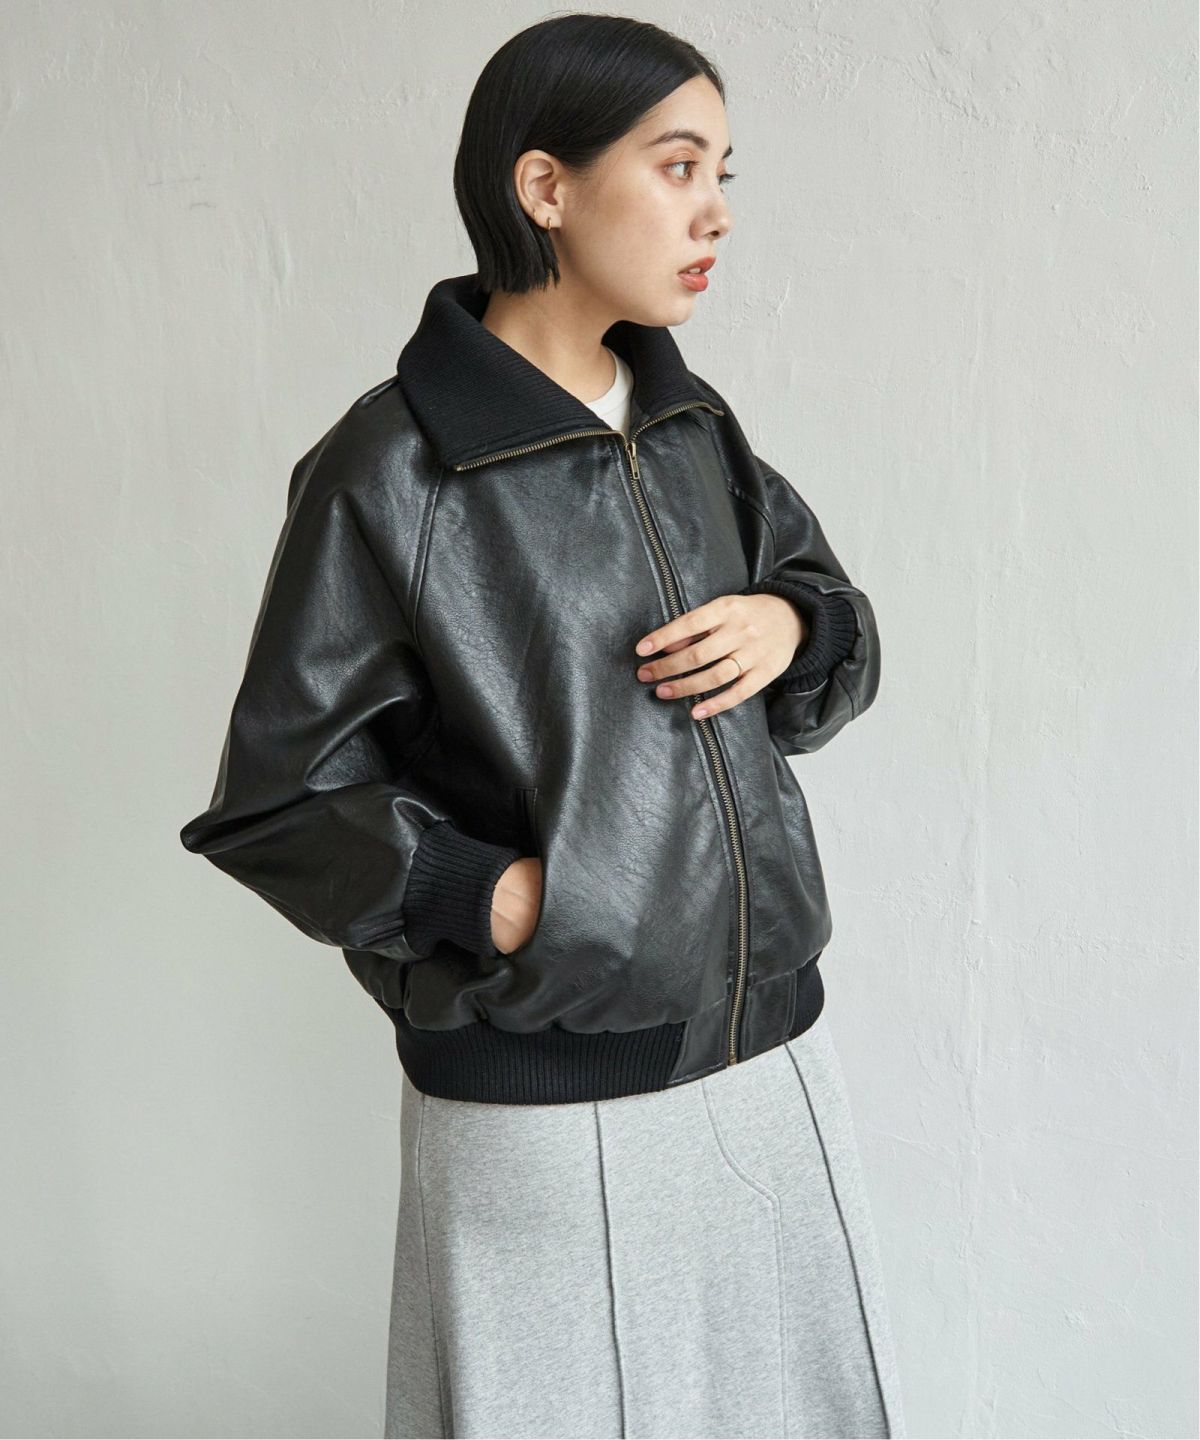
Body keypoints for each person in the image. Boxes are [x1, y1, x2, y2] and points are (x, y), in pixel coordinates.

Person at [179, 13, 907, 1439]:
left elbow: (836, 631)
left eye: (723, 173)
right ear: (545, 187)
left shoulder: (692, 428)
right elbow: (277, 804)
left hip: (771, 1061)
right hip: (545, 1096)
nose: (715, 212)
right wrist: (504, 897)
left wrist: (792, 625)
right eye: (678, 166)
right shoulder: (392, 470)